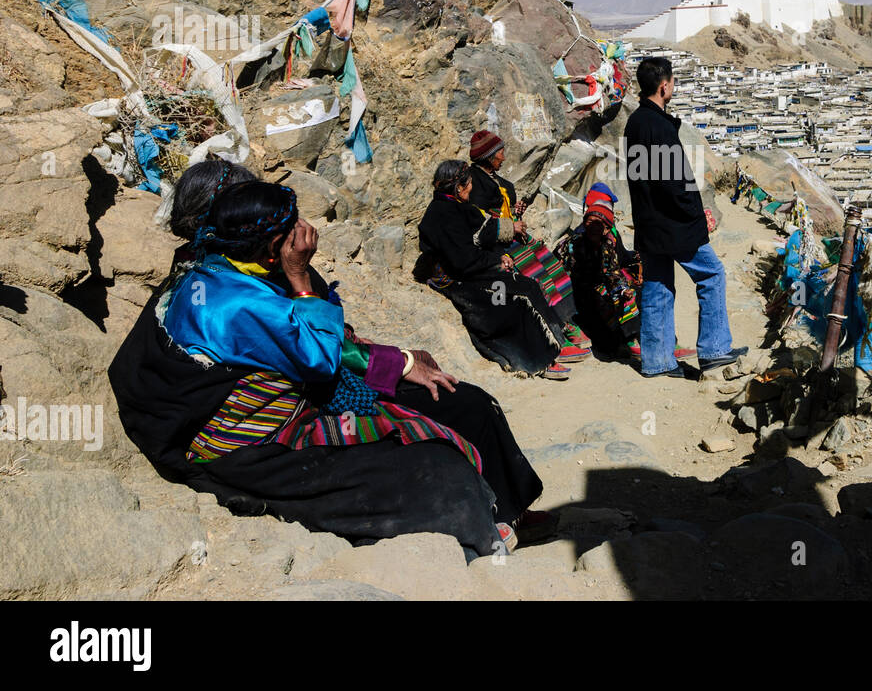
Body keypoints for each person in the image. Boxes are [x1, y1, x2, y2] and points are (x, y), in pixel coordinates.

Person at [109, 165, 549, 557]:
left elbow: (332, 343)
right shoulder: (226, 290)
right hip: (270, 422)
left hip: (316, 386)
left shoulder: (252, 269)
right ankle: (482, 524)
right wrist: (396, 363)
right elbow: (321, 355)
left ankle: (509, 507)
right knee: (434, 465)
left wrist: (399, 362)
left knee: (466, 401)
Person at [622, 56, 747, 378]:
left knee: (658, 287)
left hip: (649, 224)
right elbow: (673, 183)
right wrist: (696, 213)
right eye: (673, 82)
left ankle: (657, 361)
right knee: (711, 275)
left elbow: (643, 178)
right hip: (674, 225)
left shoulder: (635, 123)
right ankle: (714, 349)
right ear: (664, 86)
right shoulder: (660, 126)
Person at [419, 159, 581, 380]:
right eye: (468, 185)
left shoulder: (454, 205)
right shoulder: (444, 214)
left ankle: (557, 342)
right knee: (512, 298)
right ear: (458, 187)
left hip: (470, 268)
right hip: (457, 279)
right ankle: (541, 358)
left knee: (527, 283)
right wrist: (496, 262)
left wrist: (498, 255)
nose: (472, 188)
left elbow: (478, 232)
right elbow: (462, 260)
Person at [466, 129, 590, 360]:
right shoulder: (474, 184)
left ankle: (568, 319)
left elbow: (503, 210)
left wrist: (514, 213)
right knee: (537, 273)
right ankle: (559, 326)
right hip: (496, 245)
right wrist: (508, 224)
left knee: (553, 265)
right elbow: (479, 220)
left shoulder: (496, 180)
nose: (503, 157)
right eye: (500, 153)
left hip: (513, 236)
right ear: (489, 155)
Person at [557, 185, 643, 358]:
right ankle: (623, 340)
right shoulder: (573, 244)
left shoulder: (607, 243)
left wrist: (621, 287)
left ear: (605, 228)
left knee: (628, 292)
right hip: (578, 297)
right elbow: (566, 277)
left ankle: (631, 339)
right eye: (590, 222)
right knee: (608, 303)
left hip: (599, 289)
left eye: (599, 224)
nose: (594, 227)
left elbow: (612, 270)